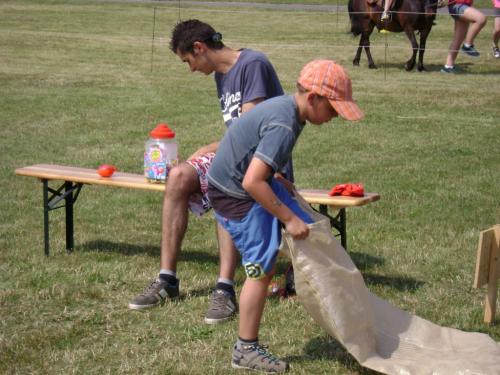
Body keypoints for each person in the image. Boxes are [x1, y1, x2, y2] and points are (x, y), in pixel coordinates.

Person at [128, 20, 289, 325]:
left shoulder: (252, 64)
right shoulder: (222, 75)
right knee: (178, 177)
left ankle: (225, 289)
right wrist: (213, 151)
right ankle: (167, 280)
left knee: (222, 177)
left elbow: (252, 132)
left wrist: (208, 148)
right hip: (236, 156)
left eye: (188, 60)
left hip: (264, 163)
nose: (190, 69)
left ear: (199, 48)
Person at [207, 60, 364, 373]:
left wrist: (278, 180)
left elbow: (256, 157)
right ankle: (245, 349)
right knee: (260, 269)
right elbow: (252, 182)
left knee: (293, 215)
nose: (333, 118)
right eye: (333, 110)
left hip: (232, 183)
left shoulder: (285, 108)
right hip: (236, 195)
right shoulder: (285, 123)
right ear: (313, 98)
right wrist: (289, 220)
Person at [441, 0, 487, 73]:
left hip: (462, 6)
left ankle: (448, 67)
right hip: (457, 6)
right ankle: (467, 45)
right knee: (481, 19)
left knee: (458, 38)